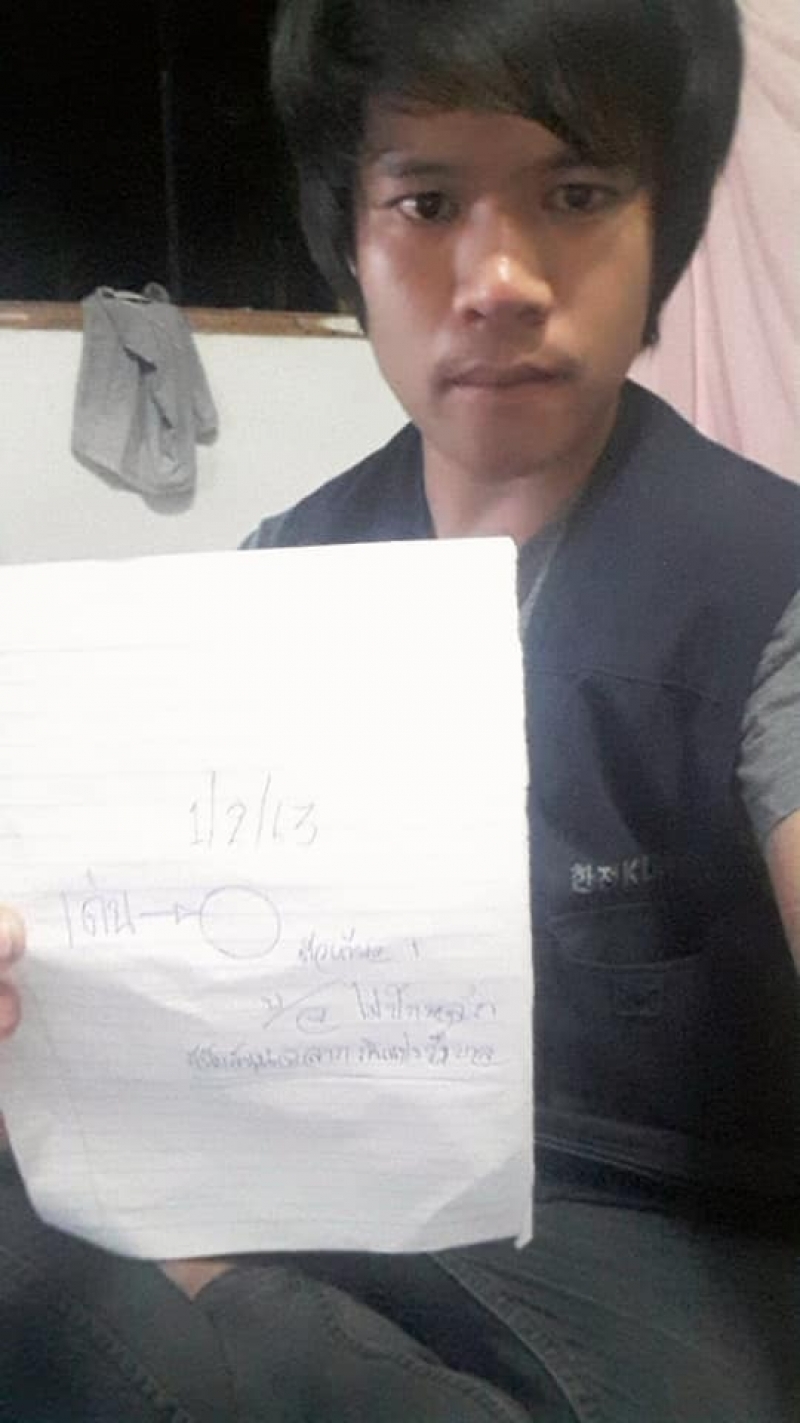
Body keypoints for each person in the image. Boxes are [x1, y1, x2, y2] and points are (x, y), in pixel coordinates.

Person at [2, 1, 800, 1418]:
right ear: (351, 241)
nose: (499, 279)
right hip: (332, 1184)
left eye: (576, 194)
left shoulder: (767, 580)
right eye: (426, 203)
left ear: (661, 231)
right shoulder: (279, 577)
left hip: (667, 1242)